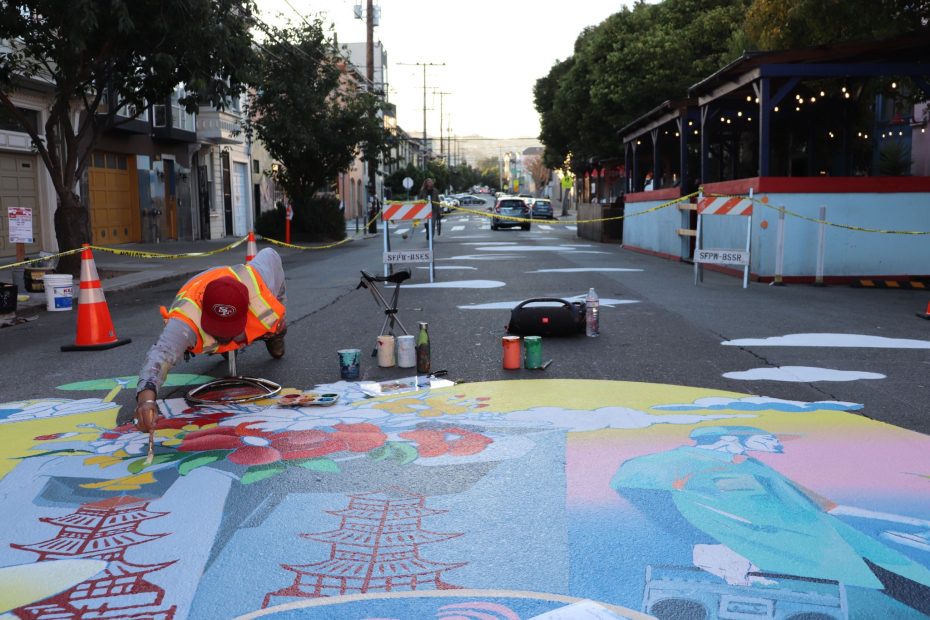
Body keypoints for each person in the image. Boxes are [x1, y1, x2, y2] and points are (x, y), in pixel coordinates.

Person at [133, 247, 287, 431]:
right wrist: (146, 400)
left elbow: (271, 254)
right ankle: (223, 347)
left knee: (276, 323)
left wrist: (279, 309)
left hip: (251, 307)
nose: (222, 335)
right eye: (216, 328)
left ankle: (273, 336)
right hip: (197, 291)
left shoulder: (260, 285)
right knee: (206, 342)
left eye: (228, 329)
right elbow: (160, 356)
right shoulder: (186, 320)